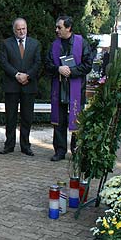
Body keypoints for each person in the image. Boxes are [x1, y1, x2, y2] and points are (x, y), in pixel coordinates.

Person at [45, 16, 94, 162]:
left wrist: (71, 71)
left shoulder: (82, 43)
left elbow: (88, 64)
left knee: (77, 121)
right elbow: (47, 64)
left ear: (68, 28)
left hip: (76, 90)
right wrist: (58, 69)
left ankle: (76, 150)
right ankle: (59, 151)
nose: (56, 30)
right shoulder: (54, 45)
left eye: (59, 27)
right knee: (58, 121)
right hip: (59, 88)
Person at [0, 18, 41, 156]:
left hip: (29, 86)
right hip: (12, 85)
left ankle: (25, 145)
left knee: (27, 117)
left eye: (24, 28)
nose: (22, 31)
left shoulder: (35, 44)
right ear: (14, 30)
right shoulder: (6, 43)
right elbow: (4, 62)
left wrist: (27, 76)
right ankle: (9, 145)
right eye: (19, 29)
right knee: (10, 117)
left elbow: (38, 63)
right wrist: (16, 75)